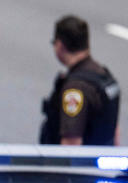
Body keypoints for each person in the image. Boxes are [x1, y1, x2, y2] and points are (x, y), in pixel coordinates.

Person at [40, 15, 120, 146]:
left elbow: (71, 144)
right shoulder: (104, 76)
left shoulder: (76, 88)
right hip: (103, 160)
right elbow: (114, 130)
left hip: (82, 164)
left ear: (59, 45)